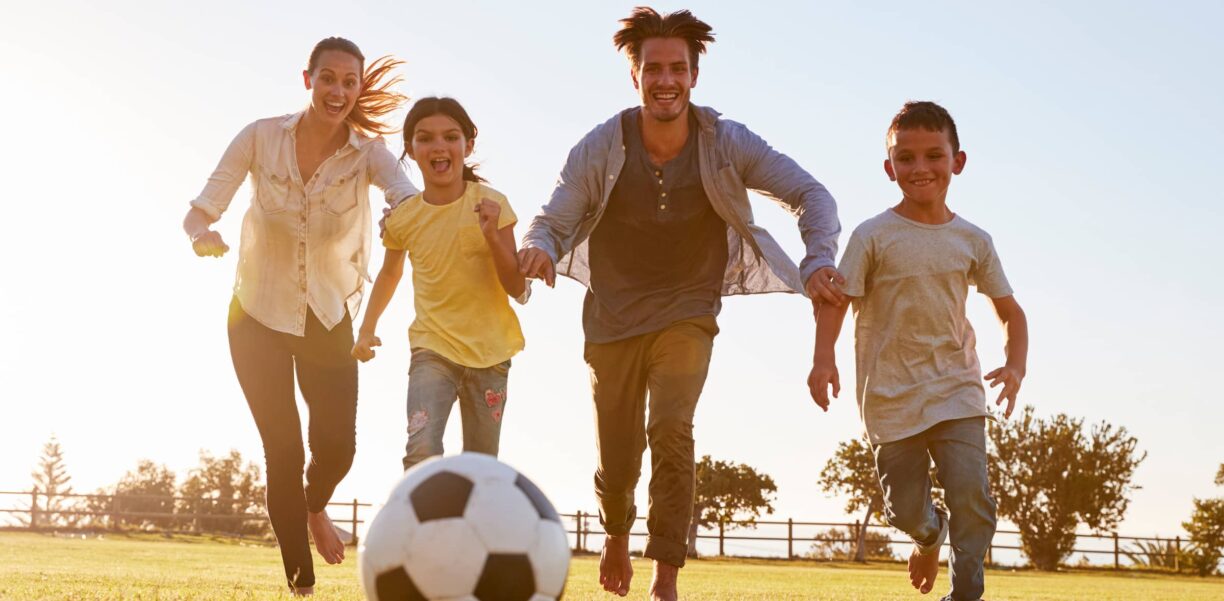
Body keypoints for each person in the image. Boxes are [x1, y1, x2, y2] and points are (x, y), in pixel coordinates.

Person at [518, 8, 843, 600]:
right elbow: (555, 214)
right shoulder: (601, 145)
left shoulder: (727, 142)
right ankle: (616, 530)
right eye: (652, 69)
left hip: (688, 310)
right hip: (612, 317)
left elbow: (810, 194)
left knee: (671, 425)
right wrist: (539, 247)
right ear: (634, 77)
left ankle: (665, 573)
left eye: (677, 69)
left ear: (694, 76)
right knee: (618, 455)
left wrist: (818, 256)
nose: (665, 79)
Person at [181, 37, 418, 596]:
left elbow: (406, 197)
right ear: (307, 79)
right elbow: (199, 210)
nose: (338, 91)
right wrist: (202, 236)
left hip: (327, 317)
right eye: (328, 78)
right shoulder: (261, 137)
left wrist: (398, 217)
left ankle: (316, 507)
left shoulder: (368, 152)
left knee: (338, 447)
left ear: (358, 88)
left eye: (349, 81)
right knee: (283, 449)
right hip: (256, 316)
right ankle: (300, 582)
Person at [808, 101, 1029, 601]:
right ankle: (930, 533)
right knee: (904, 509)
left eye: (934, 155)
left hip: (957, 389)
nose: (920, 168)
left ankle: (965, 594)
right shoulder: (872, 236)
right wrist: (824, 358)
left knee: (974, 500)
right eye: (906, 159)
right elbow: (838, 301)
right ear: (890, 168)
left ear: (958, 161)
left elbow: (1011, 312)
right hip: (889, 396)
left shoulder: (973, 240)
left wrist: (1015, 366)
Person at [352, 97, 528, 470]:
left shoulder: (493, 204)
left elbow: (516, 286)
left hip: (491, 355)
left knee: (482, 468)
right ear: (411, 151)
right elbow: (389, 273)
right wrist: (367, 329)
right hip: (433, 350)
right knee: (421, 450)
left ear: (468, 145)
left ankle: (470, 529)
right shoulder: (404, 219)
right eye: (425, 138)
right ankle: (421, 528)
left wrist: (492, 236)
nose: (439, 147)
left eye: (451, 137)